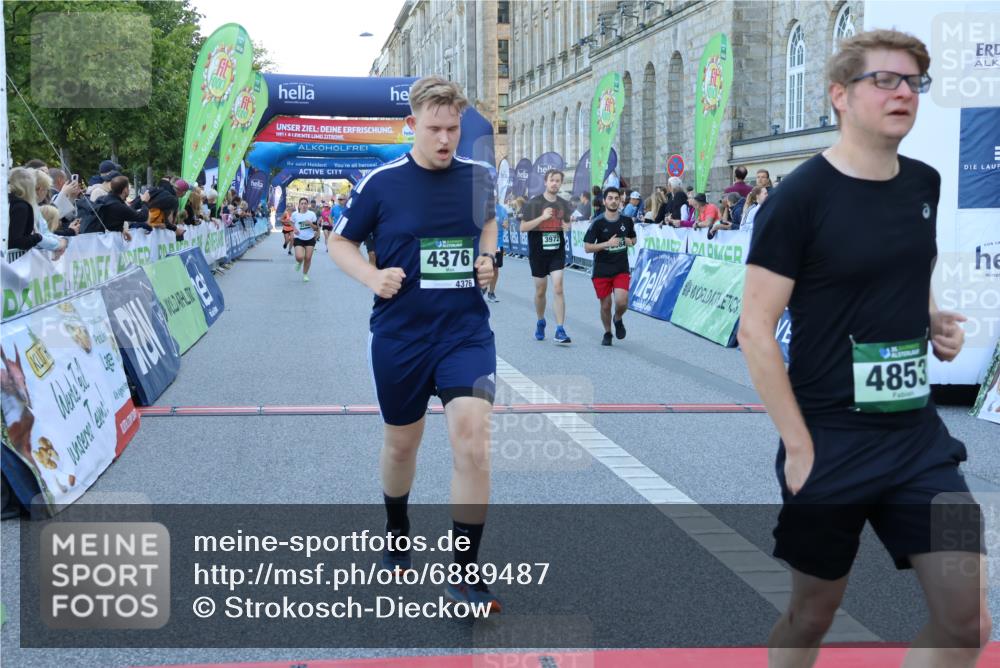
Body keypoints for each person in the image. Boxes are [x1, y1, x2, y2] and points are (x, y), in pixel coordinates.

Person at [738, 29, 989, 668]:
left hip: (922, 443)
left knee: (969, 621)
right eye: (886, 80)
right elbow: (754, 328)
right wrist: (798, 447)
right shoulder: (798, 199)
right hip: (830, 442)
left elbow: (905, 265)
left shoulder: (924, 184)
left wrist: (930, 317)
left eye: (914, 82)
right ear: (840, 96)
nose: (904, 93)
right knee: (810, 615)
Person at [328, 75, 500, 612]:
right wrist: (370, 278)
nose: (445, 140)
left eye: (453, 129)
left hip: (465, 333)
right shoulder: (381, 183)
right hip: (401, 336)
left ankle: (465, 574)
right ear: (412, 126)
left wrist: (489, 259)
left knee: (471, 442)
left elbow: (489, 221)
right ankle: (396, 524)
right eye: (435, 129)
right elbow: (340, 242)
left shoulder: (478, 179)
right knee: (403, 443)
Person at [521, 169, 574, 344]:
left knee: (558, 287)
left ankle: (560, 329)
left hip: (556, 252)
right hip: (538, 253)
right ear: (545, 182)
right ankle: (541, 320)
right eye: (552, 180)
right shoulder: (533, 203)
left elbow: (567, 224)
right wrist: (542, 218)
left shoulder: (564, 204)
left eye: (558, 181)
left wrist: (567, 227)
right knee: (540, 291)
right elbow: (523, 227)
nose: (555, 183)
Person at [583, 188, 636, 346]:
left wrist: (630, 241)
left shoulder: (626, 221)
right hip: (602, 269)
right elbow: (587, 247)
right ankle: (607, 332)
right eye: (610, 198)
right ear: (605, 201)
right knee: (605, 305)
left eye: (616, 198)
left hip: (621, 268)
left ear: (620, 201)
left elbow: (634, 239)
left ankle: (618, 318)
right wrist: (607, 244)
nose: (613, 201)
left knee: (621, 301)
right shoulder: (598, 222)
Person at [6, 167, 69, 255]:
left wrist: (60, 242)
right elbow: (16, 240)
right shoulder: (21, 206)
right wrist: (38, 238)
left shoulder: (13, 203)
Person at [290, 197, 318, 282]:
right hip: (299, 238)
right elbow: (291, 222)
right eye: (302, 203)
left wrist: (310, 224)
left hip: (310, 238)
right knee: (299, 257)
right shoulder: (295, 214)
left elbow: (316, 228)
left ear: (308, 205)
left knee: (308, 258)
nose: (303, 205)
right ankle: (299, 262)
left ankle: (305, 274)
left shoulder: (312, 214)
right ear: (299, 205)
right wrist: (294, 229)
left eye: (305, 203)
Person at [487, 200, 508, 302]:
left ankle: (491, 292)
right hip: (485, 243)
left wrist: (505, 224)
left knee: (495, 269)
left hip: (497, 244)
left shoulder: (502, 210)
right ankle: (482, 288)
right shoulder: (482, 208)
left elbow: (506, 223)